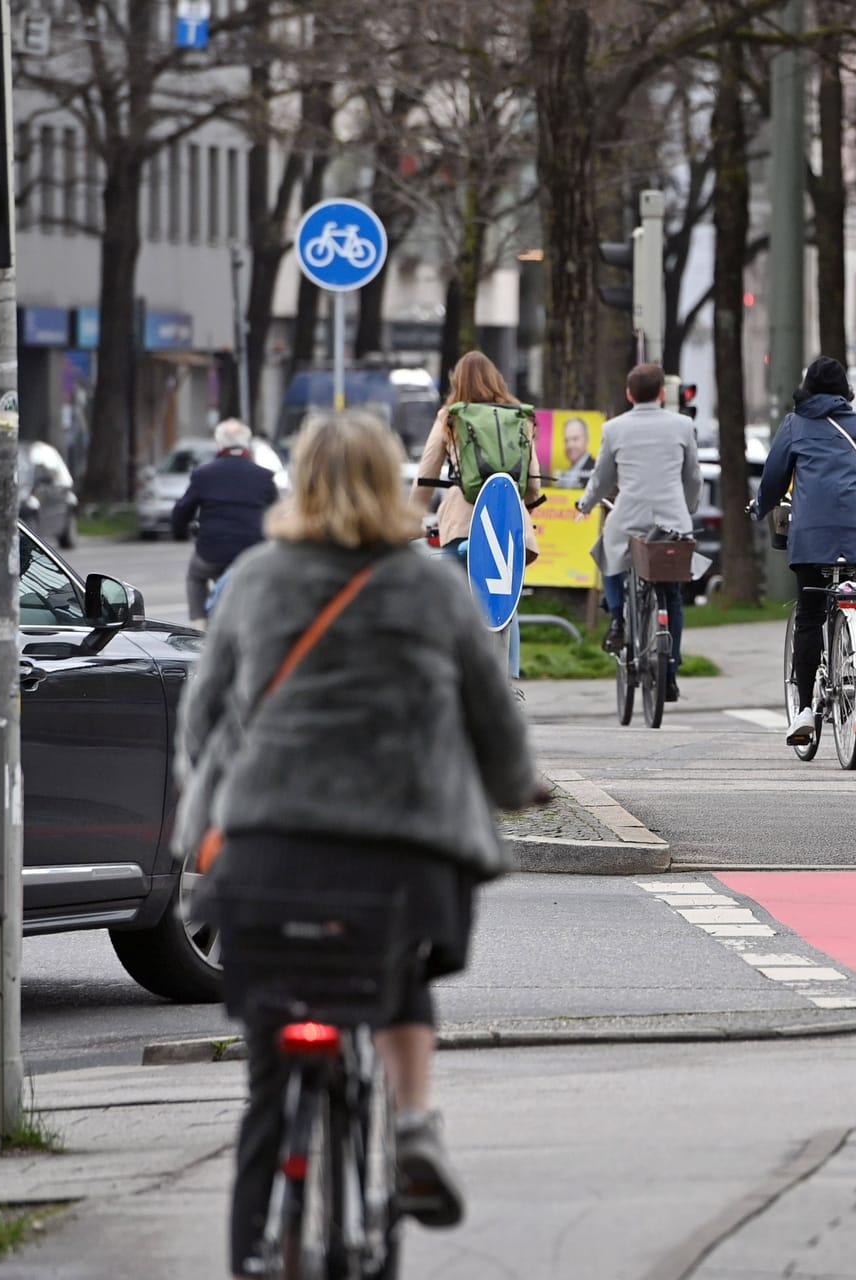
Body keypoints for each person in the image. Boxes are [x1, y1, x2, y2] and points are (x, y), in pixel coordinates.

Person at [176, 413, 541, 1279]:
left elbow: (199, 723)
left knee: (270, 1081)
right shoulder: (430, 587)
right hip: (396, 856)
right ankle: (412, 1123)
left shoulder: (256, 580)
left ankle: (258, 1246)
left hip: (262, 855)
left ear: (297, 484)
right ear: (392, 486)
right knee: (399, 965)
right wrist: (516, 785)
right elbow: (494, 722)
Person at [753, 355, 856, 744]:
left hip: (812, 536)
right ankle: (855, 653)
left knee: (810, 615)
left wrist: (760, 506)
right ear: (845, 390)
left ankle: (803, 710)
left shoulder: (794, 425)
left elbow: (774, 477)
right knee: (853, 594)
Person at [574, 362, 702, 703]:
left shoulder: (614, 429)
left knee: (607, 553)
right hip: (671, 521)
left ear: (629, 394)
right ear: (662, 393)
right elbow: (693, 478)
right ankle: (670, 668)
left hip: (628, 518)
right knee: (671, 595)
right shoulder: (683, 425)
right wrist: (686, 508)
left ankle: (617, 617)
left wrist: (585, 505)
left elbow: (602, 478)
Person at [416, 352, 541, 674]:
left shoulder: (451, 416)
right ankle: (506, 681)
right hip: (507, 524)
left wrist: (410, 517)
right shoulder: (520, 417)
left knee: (454, 600)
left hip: (463, 525)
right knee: (504, 602)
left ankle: (454, 671)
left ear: (458, 381)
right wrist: (526, 509)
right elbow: (533, 484)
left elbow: (427, 472)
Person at [171, 419, 279, 627]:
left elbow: (184, 508)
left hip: (212, 552)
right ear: (246, 444)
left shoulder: (204, 474)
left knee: (196, 576)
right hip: (252, 551)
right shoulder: (264, 477)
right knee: (262, 581)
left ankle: (200, 624)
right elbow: (276, 513)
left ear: (219, 444)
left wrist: (178, 531)